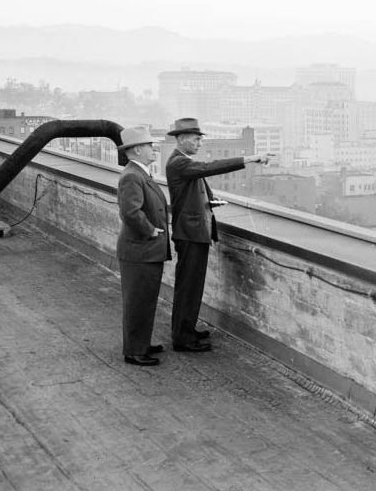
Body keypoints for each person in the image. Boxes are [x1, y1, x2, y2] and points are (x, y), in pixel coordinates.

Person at [165, 117, 270, 352]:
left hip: (194, 233)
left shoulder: (182, 161)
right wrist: (249, 159)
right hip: (190, 235)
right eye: (196, 139)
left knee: (193, 286)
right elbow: (209, 168)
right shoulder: (178, 163)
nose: (199, 143)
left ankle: (187, 329)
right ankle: (182, 338)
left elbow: (194, 189)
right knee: (188, 287)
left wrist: (209, 203)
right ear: (181, 139)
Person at [115, 126, 170, 366]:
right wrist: (150, 230)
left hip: (145, 250)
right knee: (138, 301)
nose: (153, 148)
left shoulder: (140, 173)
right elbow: (130, 212)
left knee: (145, 300)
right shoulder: (132, 176)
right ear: (137, 149)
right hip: (140, 250)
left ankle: (142, 343)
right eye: (149, 145)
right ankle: (135, 351)